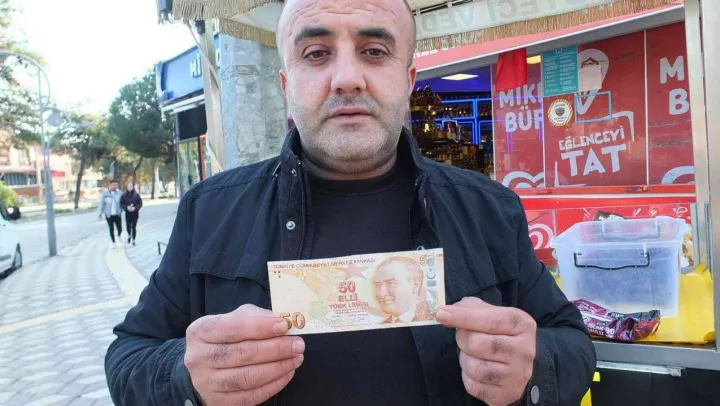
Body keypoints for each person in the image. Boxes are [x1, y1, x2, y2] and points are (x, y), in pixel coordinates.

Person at [105, 1, 596, 405]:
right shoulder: (209, 212)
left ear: (408, 80)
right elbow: (128, 355)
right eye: (316, 53)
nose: (346, 78)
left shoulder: (490, 209)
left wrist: (535, 368)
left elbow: (572, 340)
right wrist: (184, 377)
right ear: (286, 85)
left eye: (374, 51)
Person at [373, 257, 434, 323]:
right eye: (378, 285)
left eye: (390, 283)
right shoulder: (381, 324)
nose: (381, 293)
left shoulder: (433, 319)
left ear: (415, 285)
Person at [98, 179, 122, 249]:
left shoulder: (120, 193)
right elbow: (101, 204)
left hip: (117, 214)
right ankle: (113, 242)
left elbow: (123, 202)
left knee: (120, 228)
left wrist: (122, 210)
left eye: (116, 185)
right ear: (110, 185)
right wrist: (100, 213)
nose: (114, 186)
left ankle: (119, 235)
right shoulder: (105, 194)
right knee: (111, 229)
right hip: (109, 215)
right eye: (113, 185)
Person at [120, 182, 143, 246]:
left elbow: (140, 203)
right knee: (128, 226)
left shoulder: (136, 195)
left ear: (133, 187)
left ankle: (133, 240)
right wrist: (126, 207)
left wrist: (135, 208)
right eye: (128, 186)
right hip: (127, 213)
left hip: (135, 213)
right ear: (126, 187)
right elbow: (121, 204)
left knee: (134, 227)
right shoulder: (124, 195)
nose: (130, 187)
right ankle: (129, 235)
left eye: (131, 186)